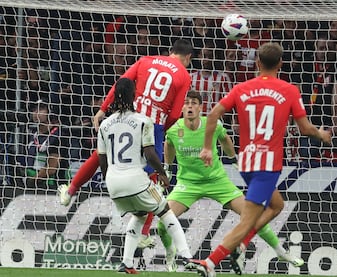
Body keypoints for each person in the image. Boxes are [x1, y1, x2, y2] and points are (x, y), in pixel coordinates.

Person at [192, 42, 332, 277]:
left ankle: (244, 243)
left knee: (277, 205)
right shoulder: (289, 90)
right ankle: (210, 262)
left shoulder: (242, 88)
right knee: (247, 221)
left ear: (257, 62)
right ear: (281, 64)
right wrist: (322, 134)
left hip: (247, 161)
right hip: (267, 165)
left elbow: (214, 113)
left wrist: (207, 147)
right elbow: (306, 129)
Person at [58, 39, 193, 259]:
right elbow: (176, 114)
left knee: (102, 153)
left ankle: (70, 190)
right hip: (153, 123)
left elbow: (121, 82)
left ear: (170, 52)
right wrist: (159, 129)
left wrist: (103, 109)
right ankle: (144, 232)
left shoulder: (145, 60)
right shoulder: (184, 75)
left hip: (129, 118)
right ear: (187, 58)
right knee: (153, 180)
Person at [158, 90, 304, 273]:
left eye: (194, 103)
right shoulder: (173, 129)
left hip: (217, 181)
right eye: (186, 103)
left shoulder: (212, 125)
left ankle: (281, 252)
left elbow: (225, 139)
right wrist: (168, 168)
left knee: (253, 216)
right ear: (182, 107)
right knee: (162, 222)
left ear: (200, 107)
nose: (190, 106)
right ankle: (169, 251)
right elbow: (168, 145)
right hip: (187, 184)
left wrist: (234, 159)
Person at [93, 77, 193, 274]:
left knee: (139, 215)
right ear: (134, 95)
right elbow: (149, 153)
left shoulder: (104, 125)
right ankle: (187, 256)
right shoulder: (142, 121)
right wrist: (162, 173)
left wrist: (110, 181)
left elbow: (102, 160)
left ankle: (127, 262)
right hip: (135, 180)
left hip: (113, 183)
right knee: (165, 211)